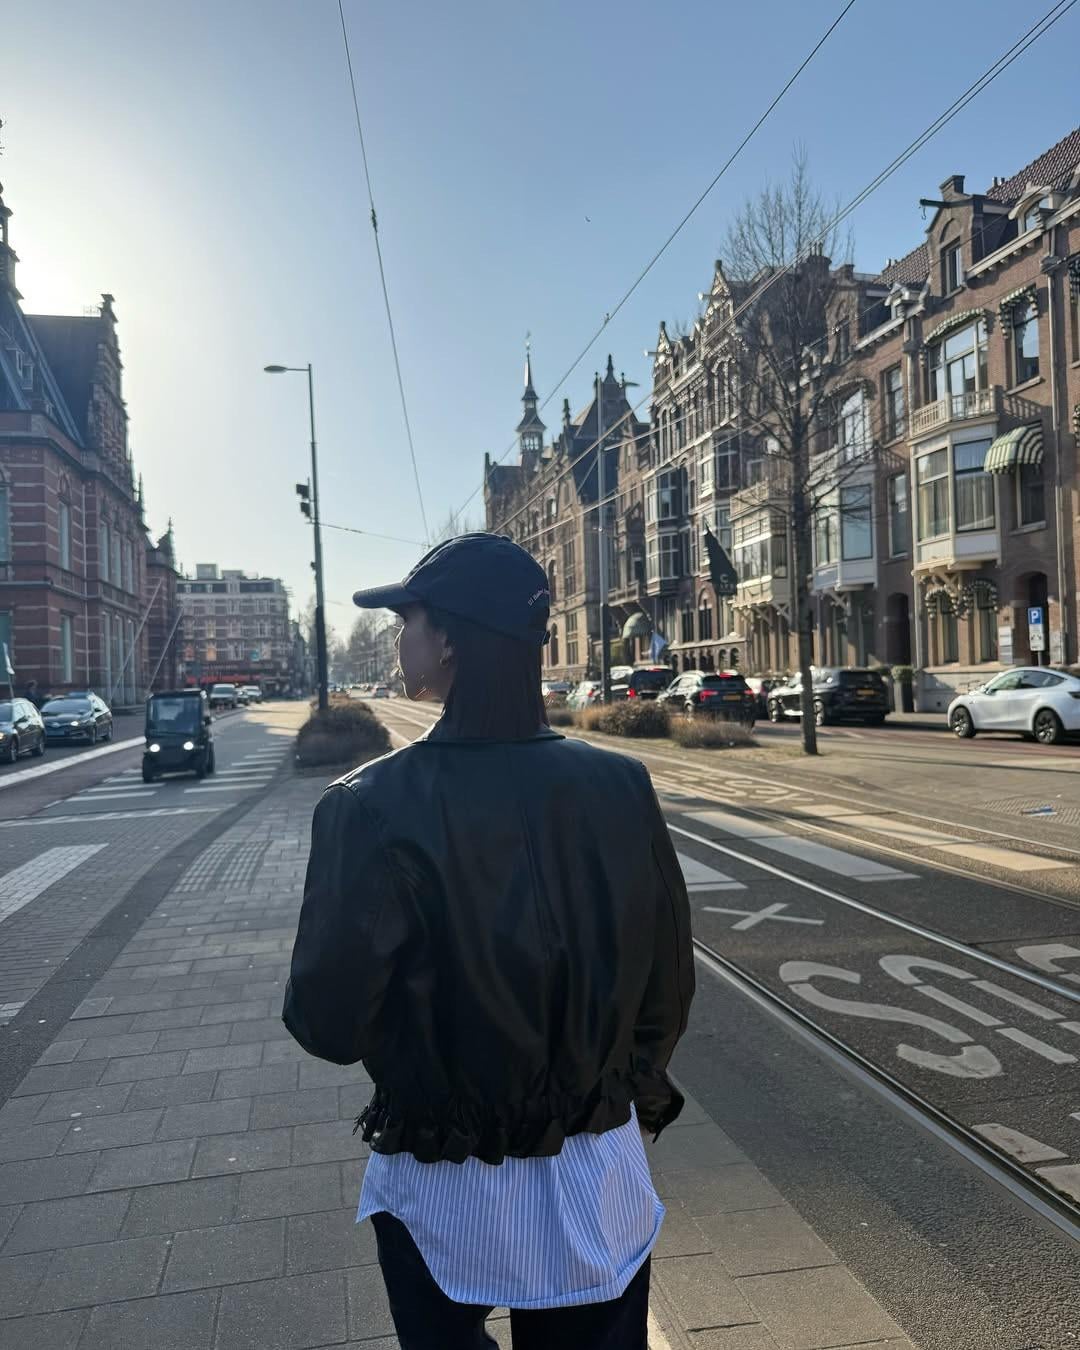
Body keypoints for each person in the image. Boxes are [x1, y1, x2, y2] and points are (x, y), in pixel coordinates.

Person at [284, 532, 693, 1350]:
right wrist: (630, 1097)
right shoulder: (621, 785)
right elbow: (667, 982)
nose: (399, 637)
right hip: (598, 1170)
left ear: (448, 640)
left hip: (441, 1178)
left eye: (407, 619)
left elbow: (328, 1025)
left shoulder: (368, 806)